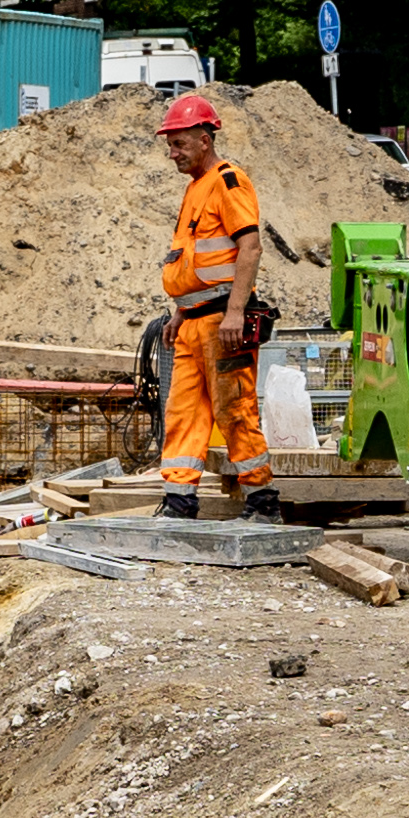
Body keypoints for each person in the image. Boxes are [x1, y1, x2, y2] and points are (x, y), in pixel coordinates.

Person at [153, 85, 278, 520]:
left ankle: (262, 501)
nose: (173, 153)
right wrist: (180, 312)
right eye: (170, 145)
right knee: (184, 411)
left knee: (234, 409)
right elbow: (196, 264)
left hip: (225, 323)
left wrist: (237, 312)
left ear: (204, 139)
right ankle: (179, 502)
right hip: (195, 324)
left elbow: (250, 248)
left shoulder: (228, 180)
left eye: (179, 143)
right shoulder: (195, 188)